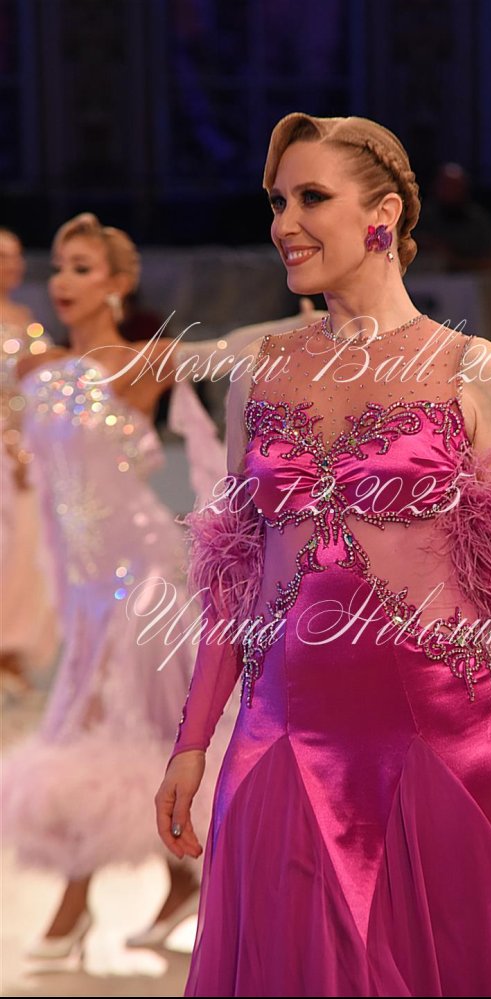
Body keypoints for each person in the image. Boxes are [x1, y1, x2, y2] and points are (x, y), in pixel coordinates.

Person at [155, 114, 491, 997]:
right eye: (277, 201)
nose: (284, 223)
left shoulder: (474, 369)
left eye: (312, 198)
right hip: (277, 754)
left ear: (382, 215)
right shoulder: (257, 374)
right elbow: (234, 579)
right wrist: (192, 743)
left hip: (447, 759)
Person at [0, 211, 319, 964]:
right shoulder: (36, 369)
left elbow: (230, 350)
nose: (65, 282)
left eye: (83, 268)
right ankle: (184, 883)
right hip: (81, 589)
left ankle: (74, 908)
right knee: (135, 735)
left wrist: (310, 325)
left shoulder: (135, 363)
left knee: (101, 732)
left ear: (118, 283)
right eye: (60, 267)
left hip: (141, 579)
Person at [0, 228, 60, 695]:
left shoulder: (25, 317)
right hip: (5, 451)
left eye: (17, 255)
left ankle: (11, 650)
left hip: (26, 451)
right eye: (4, 256)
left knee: (26, 548)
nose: (14, 264)